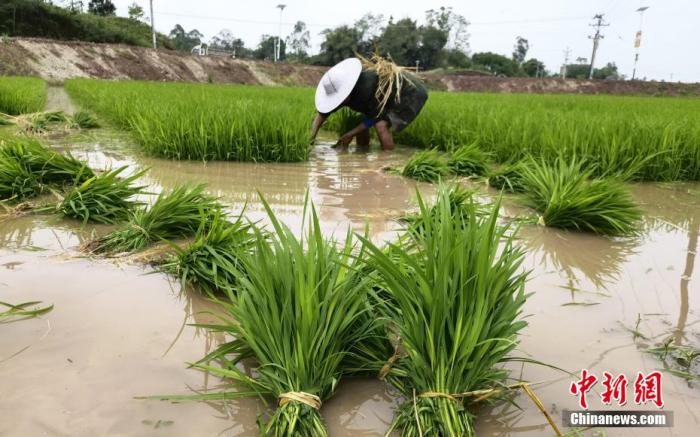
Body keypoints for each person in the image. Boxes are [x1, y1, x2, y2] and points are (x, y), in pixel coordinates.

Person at [310, 57, 428, 151]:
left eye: (340, 98)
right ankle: (363, 150)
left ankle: (387, 160)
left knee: (381, 125)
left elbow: (374, 118)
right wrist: (310, 139)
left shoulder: (366, 88)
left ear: (347, 90)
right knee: (360, 122)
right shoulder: (345, 91)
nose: (338, 102)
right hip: (389, 95)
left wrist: (349, 134)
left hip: (409, 93)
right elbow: (322, 114)